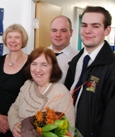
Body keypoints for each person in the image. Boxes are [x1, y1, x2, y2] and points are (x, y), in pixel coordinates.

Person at [64, 6, 115, 137]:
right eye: (84, 25)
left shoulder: (112, 66)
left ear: (107, 30)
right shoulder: (76, 61)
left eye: (95, 26)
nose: (87, 30)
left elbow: (111, 119)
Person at [8, 47, 75, 137]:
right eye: (34, 64)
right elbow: (14, 108)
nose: (38, 69)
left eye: (44, 65)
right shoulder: (27, 84)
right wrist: (14, 125)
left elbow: (69, 131)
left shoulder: (61, 94)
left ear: (53, 68)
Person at [0, 24, 28, 137]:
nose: (13, 41)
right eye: (10, 37)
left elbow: (32, 96)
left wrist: (13, 121)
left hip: (19, 123)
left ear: (23, 40)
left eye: (17, 37)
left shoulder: (32, 63)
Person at [48, 15, 78, 83]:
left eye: (63, 31)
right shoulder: (39, 55)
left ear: (71, 32)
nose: (58, 35)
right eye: (54, 30)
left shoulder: (79, 58)